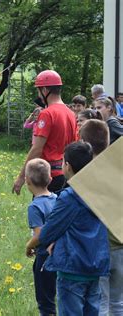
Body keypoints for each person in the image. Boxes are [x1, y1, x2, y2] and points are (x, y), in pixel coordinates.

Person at [26, 142, 110, 316]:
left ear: (67, 166)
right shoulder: (100, 192)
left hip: (73, 269)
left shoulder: (70, 197)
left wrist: (30, 245)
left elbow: (48, 232)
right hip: (96, 265)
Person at [79, 121, 123, 316]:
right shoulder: (117, 166)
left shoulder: (87, 176)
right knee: (118, 301)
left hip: (102, 248)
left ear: (83, 141)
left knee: (102, 302)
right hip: (120, 245)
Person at [12, 70, 77, 195]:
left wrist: (21, 177)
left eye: (39, 91)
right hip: (65, 173)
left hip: (49, 176)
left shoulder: (47, 113)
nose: (39, 95)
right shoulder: (70, 113)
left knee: (42, 212)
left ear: (45, 90)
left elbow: (37, 148)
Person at [23, 158, 57, 315]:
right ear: (50, 179)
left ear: (27, 181)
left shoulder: (35, 206)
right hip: (59, 253)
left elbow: (40, 234)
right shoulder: (57, 199)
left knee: (45, 303)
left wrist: (29, 246)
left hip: (44, 257)